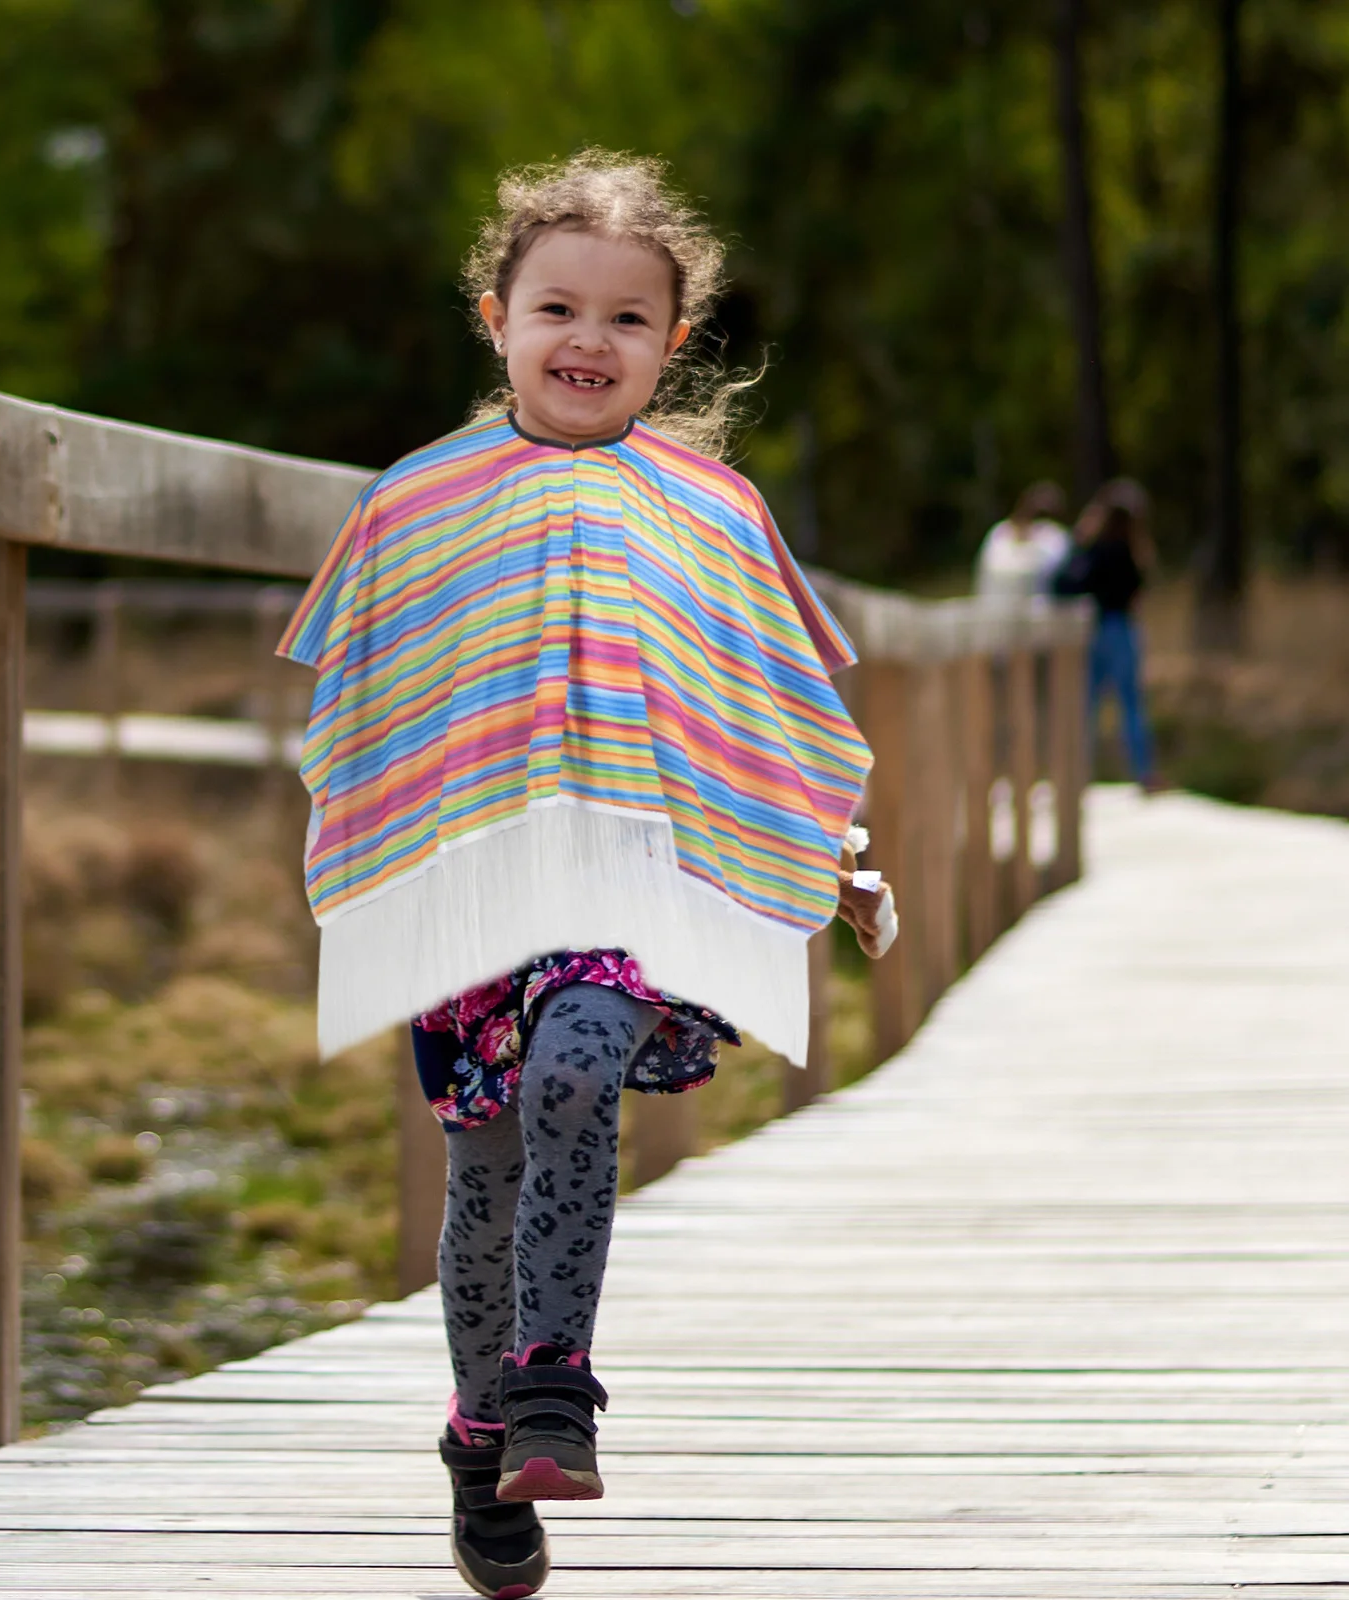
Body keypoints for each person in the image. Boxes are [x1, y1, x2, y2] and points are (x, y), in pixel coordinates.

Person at [277, 151, 894, 1600]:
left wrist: (840, 863)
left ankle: (555, 1389)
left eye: (628, 319)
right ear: (495, 316)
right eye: (557, 307)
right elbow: (364, 709)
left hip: (630, 885)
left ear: (673, 344)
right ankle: (479, 1435)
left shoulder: (709, 509)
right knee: (482, 1170)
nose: (588, 341)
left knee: (573, 1072)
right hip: (474, 883)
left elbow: (765, 710)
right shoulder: (415, 503)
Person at [1053, 478, 1158, 790]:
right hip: (1122, 629)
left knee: (1089, 705)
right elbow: (1140, 589)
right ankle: (1144, 773)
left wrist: (1079, 540)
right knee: (1131, 705)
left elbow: (1064, 584)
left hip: (1097, 631)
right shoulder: (1132, 551)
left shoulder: (1095, 550)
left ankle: (1077, 772)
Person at [975, 480, 1072, 600]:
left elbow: (1045, 568)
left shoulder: (1056, 536)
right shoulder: (1000, 532)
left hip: (1040, 612)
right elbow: (994, 565)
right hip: (996, 608)